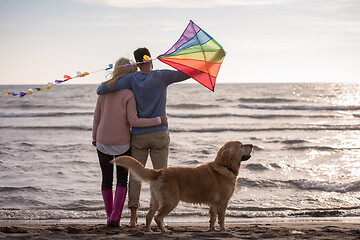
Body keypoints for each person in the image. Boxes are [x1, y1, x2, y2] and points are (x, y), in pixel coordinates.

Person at [96, 47, 190, 227]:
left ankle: (133, 218)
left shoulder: (132, 79)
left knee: (136, 177)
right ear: (151, 60)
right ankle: (159, 217)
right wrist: (200, 65)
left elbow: (102, 89)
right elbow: (185, 74)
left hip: (139, 136)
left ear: (137, 63)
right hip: (160, 134)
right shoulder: (162, 75)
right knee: (162, 177)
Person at [92, 57, 167, 227]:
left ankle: (109, 216)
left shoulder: (103, 92)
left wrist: (94, 137)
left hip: (102, 141)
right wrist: (158, 120)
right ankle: (116, 217)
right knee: (121, 179)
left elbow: (96, 118)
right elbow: (134, 121)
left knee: (106, 178)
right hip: (122, 143)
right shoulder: (128, 94)